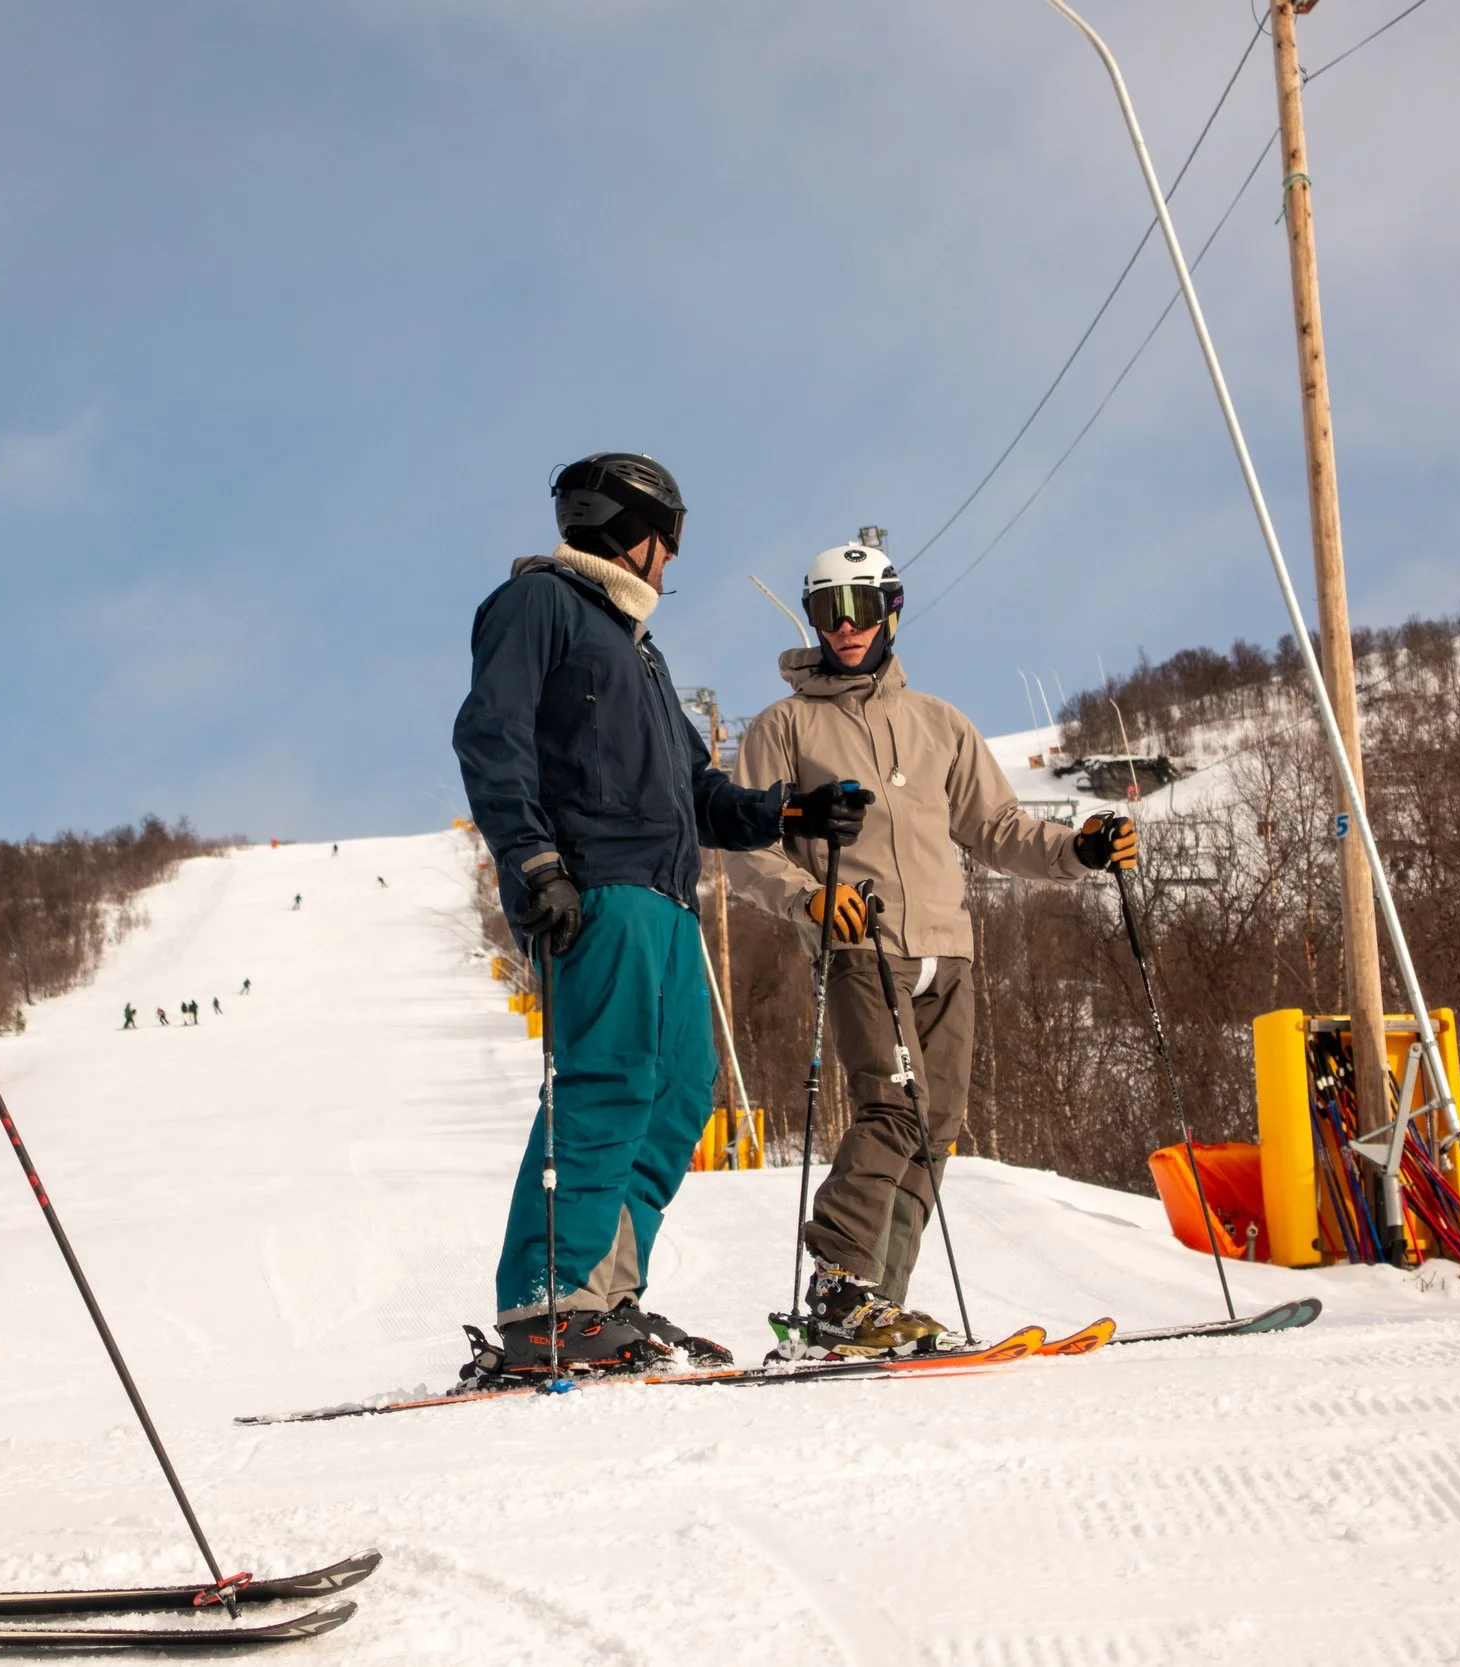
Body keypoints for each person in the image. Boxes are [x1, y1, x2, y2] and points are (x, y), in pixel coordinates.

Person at [452, 453, 869, 1379]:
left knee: (679, 1090)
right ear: (627, 530)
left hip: (669, 897)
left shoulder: (637, 648)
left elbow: (699, 791)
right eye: (666, 543)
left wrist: (789, 813)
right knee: (606, 1080)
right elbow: (491, 735)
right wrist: (533, 861)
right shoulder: (538, 606)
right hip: (595, 886)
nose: (669, 564)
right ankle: (549, 1300)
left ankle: (604, 1291)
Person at [727, 538, 1136, 1356]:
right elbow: (744, 848)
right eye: (827, 611)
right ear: (811, 618)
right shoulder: (784, 727)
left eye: (862, 609)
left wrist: (1078, 850)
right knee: (891, 1104)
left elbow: (997, 828)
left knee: (937, 1124)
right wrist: (810, 897)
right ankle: (839, 1282)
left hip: (949, 949)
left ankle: (882, 1302)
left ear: (891, 611)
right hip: (861, 946)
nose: (845, 627)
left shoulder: (938, 724)